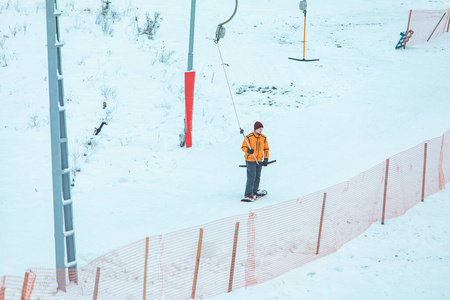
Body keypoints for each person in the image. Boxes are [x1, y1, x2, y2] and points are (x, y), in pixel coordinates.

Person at [241, 121, 269, 199]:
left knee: (257, 177)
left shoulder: (263, 138)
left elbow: (266, 149)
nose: (260, 130)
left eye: (261, 129)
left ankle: (255, 191)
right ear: (255, 129)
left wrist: (266, 159)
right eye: (259, 128)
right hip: (250, 160)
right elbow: (243, 147)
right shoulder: (249, 137)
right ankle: (248, 193)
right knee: (251, 177)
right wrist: (248, 151)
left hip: (259, 160)